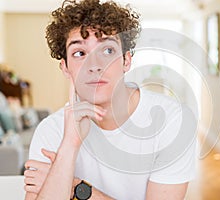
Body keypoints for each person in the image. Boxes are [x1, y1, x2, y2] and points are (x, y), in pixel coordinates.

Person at [23, 0, 198, 199]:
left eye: (107, 51)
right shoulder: (51, 130)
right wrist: (70, 145)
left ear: (127, 60)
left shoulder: (172, 120)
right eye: (79, 53)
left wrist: (76, 188)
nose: (95, 65)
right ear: (65, 67)